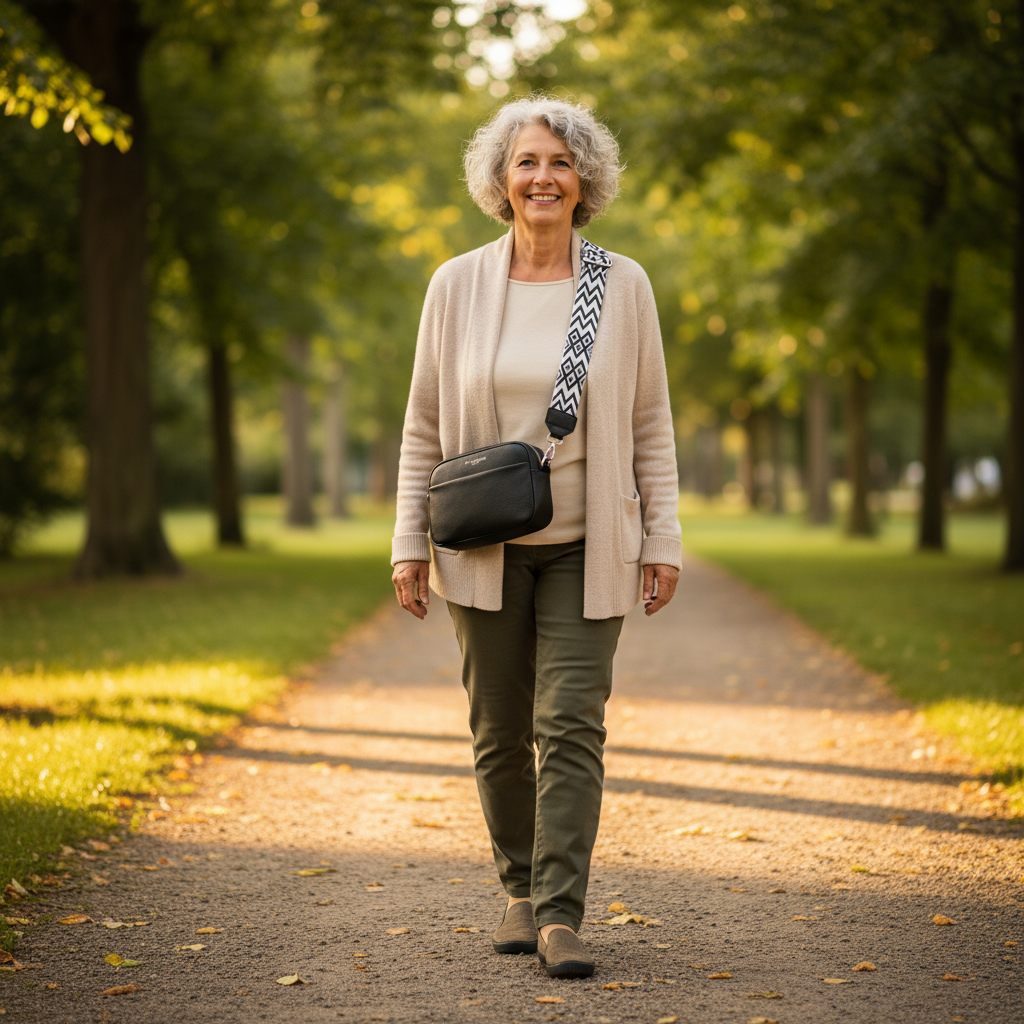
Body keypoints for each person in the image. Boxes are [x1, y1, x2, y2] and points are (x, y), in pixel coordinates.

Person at [390, 96, 682, 979]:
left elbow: (651, 423)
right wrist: (408, 541)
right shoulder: (456, 285)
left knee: (571, 724)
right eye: (527, 161)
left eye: (560, 162)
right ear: (501, 179)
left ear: (584, 180)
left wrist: (662, 536)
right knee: (497, 731)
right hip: (482, 545)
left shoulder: (623, 285)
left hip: (590, 547)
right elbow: (423, 424)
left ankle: (558, 914)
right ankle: (517, 888)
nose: (543, 177)